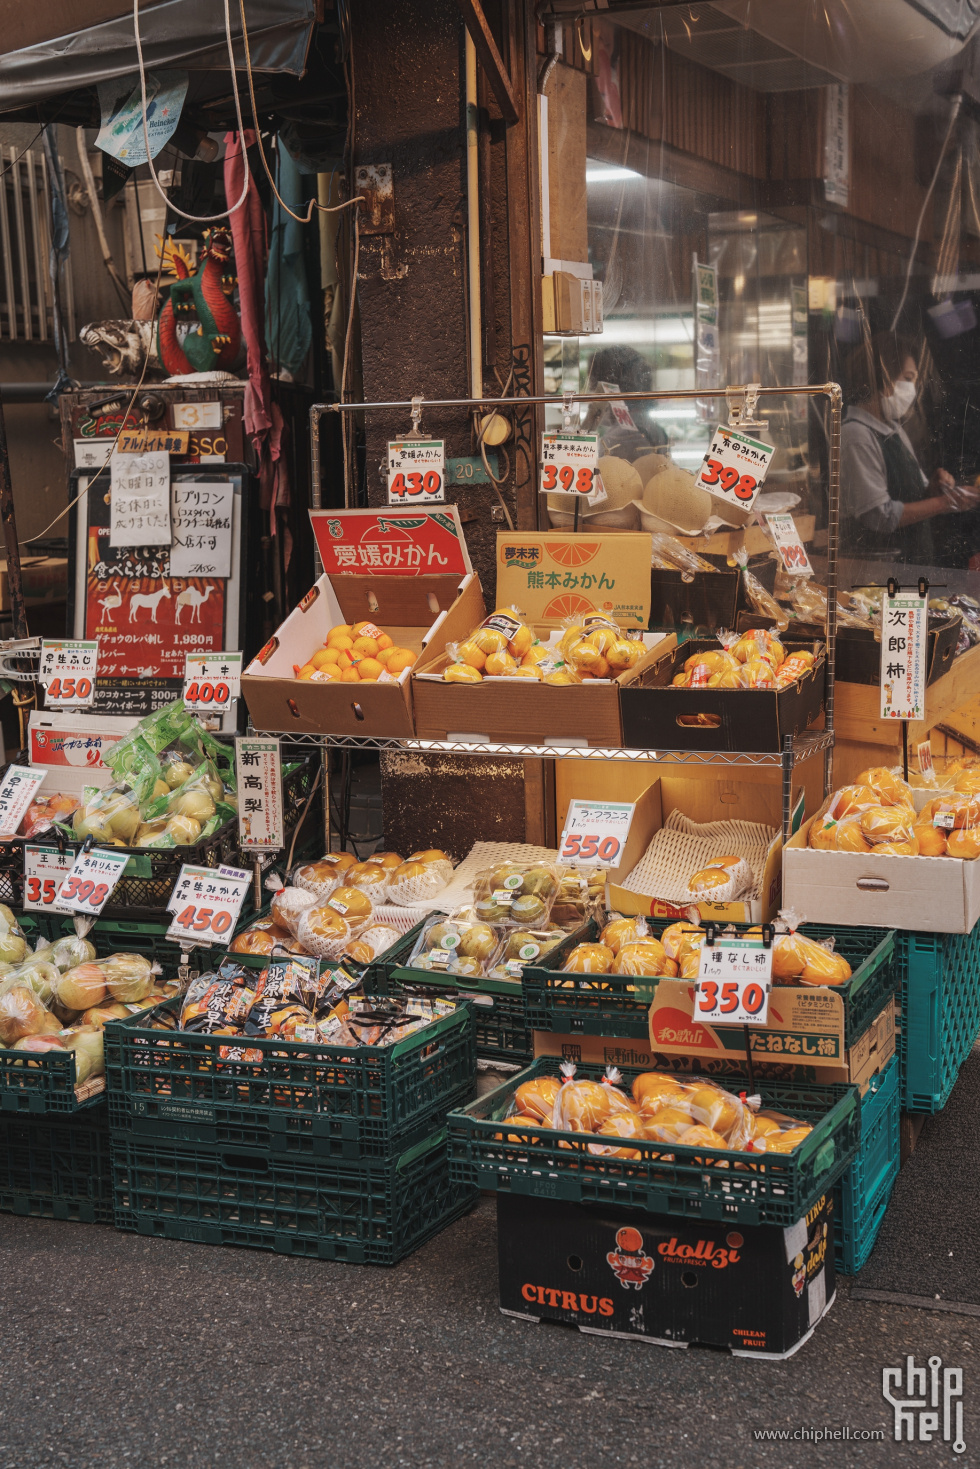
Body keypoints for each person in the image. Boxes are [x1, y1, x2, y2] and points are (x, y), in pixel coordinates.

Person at [840, 333, 961, 563]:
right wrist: (947, 502)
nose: (911, 389)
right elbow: (879, 516)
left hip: (914, 561)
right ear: (882, 377)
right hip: (880, 569)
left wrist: (934, 488)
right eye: (907, 378)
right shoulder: (856, 434)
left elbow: (916, 495)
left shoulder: (893, 430)